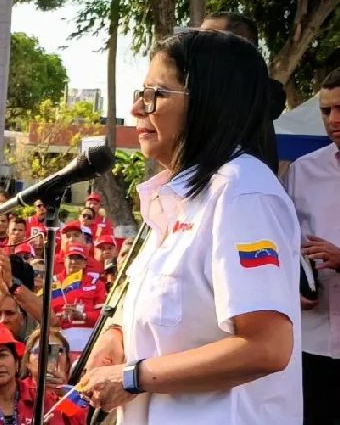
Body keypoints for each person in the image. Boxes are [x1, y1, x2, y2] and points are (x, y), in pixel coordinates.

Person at [79, 30, 301, 423]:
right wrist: (118, 337)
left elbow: (266, 347)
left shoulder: (241, 193)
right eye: (141, 93)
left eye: (156, 94)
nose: (137, 108)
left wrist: (132, 377)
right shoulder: (179, 197)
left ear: (208, 102)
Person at [283, 67, 340, 424]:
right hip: (311, 345)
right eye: (326, 110)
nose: (333, 120)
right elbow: (283, 245)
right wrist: (293, 283)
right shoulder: (302, 171)